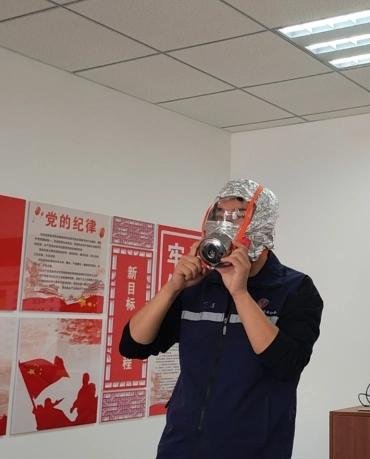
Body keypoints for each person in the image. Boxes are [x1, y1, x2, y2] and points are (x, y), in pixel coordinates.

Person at [119, 179, 323, 459]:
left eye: (238, 216)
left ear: (261, 226)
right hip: (181, 446)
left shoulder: (295, 288)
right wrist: (172, 288)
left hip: (254, 449)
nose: (225, 225)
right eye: (219, 215)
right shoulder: (199, 285)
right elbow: (133, 346)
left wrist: (240, 293)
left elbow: (287, 365)